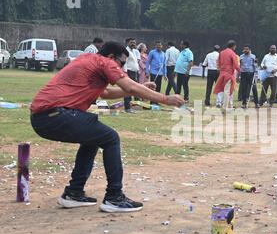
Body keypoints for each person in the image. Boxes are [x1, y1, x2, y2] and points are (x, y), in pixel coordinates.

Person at [29, 42, 185, 213]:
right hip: (55, 114)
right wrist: (165, 99)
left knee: (93, 138)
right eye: (122, 63)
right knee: (111, 138)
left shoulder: (88, 60)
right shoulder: (104, 62)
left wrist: (136, 90)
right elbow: (130, 85)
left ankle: (74, 192)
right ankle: (114, 197)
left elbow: (106, 94)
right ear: (111, 57)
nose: (122, 68)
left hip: (43, 117)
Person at [214, 40, 240, 109]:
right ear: (233, 46)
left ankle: (228, 106)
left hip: (222, 74)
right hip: (229, 75)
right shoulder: (233, 53)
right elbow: (236, 65)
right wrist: (240, 71)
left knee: (224, 90)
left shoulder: (221, 52)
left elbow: (218, 63)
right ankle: (225, 107)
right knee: (227, 91)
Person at [239, 44, 259, 109]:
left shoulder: (253, 56)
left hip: (251, 74)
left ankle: (256, 103)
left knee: (254, 88)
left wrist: (256, 75)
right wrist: (238, 75)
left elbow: (255, 66)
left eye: (247, 49)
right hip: (243, 74)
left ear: (249, 50)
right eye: (244, 49)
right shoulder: (241, 56)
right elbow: (239, 66)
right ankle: (244, 103)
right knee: (243, 89)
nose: (245, 50)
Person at [123, 38, 140, 113]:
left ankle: (133, 106)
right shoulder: (126, 51)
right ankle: (127, 108)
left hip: (134, 73)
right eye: (131, 42)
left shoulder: (134, 51)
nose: (133, 44)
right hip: (128, 72)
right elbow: (124, 62)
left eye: (134, 42)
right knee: (128, 90)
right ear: (127, 43)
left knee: (134, 89)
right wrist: (125, 73)